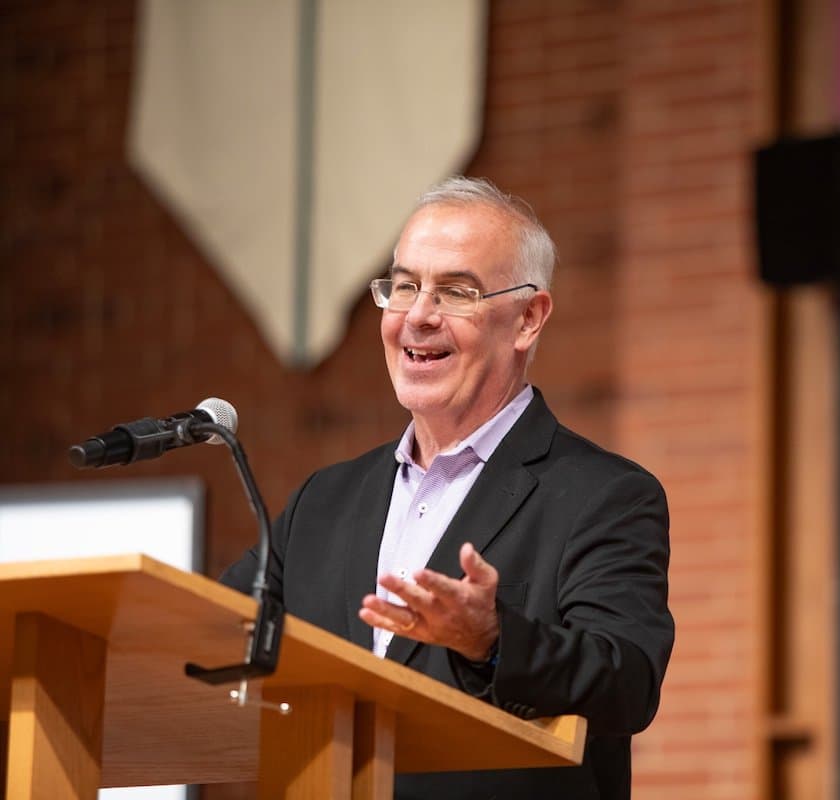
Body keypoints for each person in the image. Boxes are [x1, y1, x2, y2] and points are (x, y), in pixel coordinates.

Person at [221, 176, 674, 799]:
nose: (418, 316)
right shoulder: (323, 501)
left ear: (528, 318)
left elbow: (627, 682)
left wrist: (491, 640)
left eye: (456, 292)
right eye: (404, 286)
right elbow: (217, 631)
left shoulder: (605, 496)